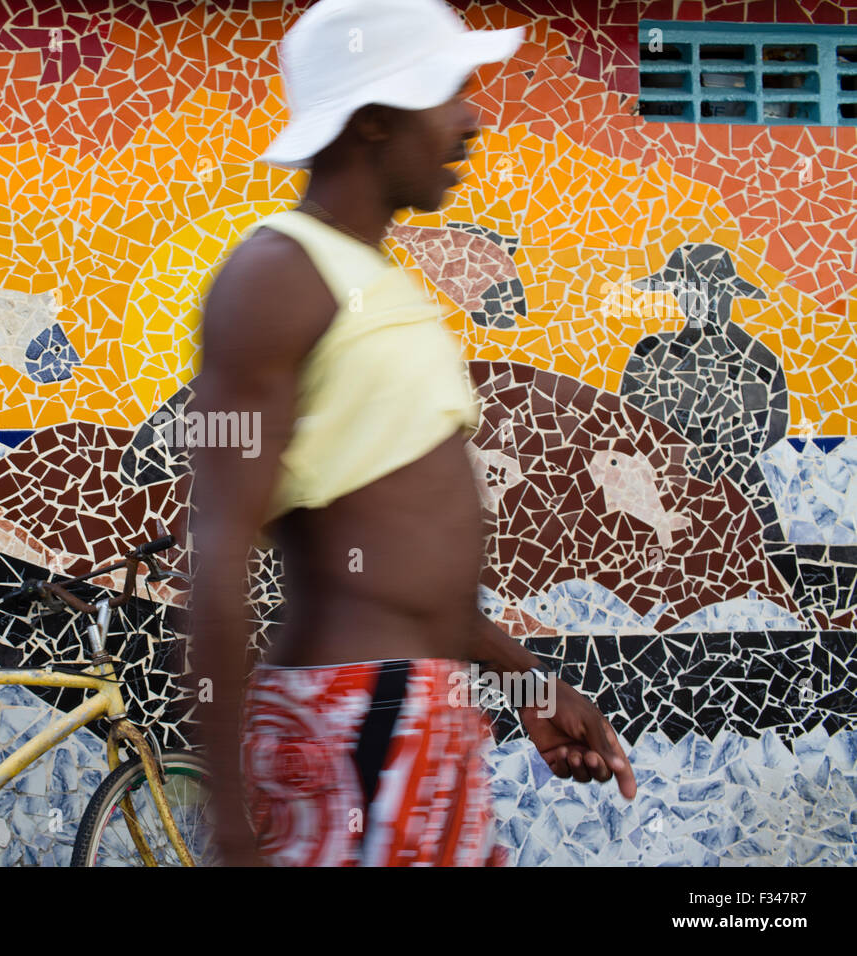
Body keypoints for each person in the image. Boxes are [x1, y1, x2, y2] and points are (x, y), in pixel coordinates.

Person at [188, 0, 637, 867]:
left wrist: (526, 681)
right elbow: (217, 550)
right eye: (449, 92)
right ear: (372, 122)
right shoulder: (276, 277)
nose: (472, 118)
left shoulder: (376, 282)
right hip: (356, 718)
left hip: (416, 710)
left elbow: (400, 562)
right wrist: (231, 828)